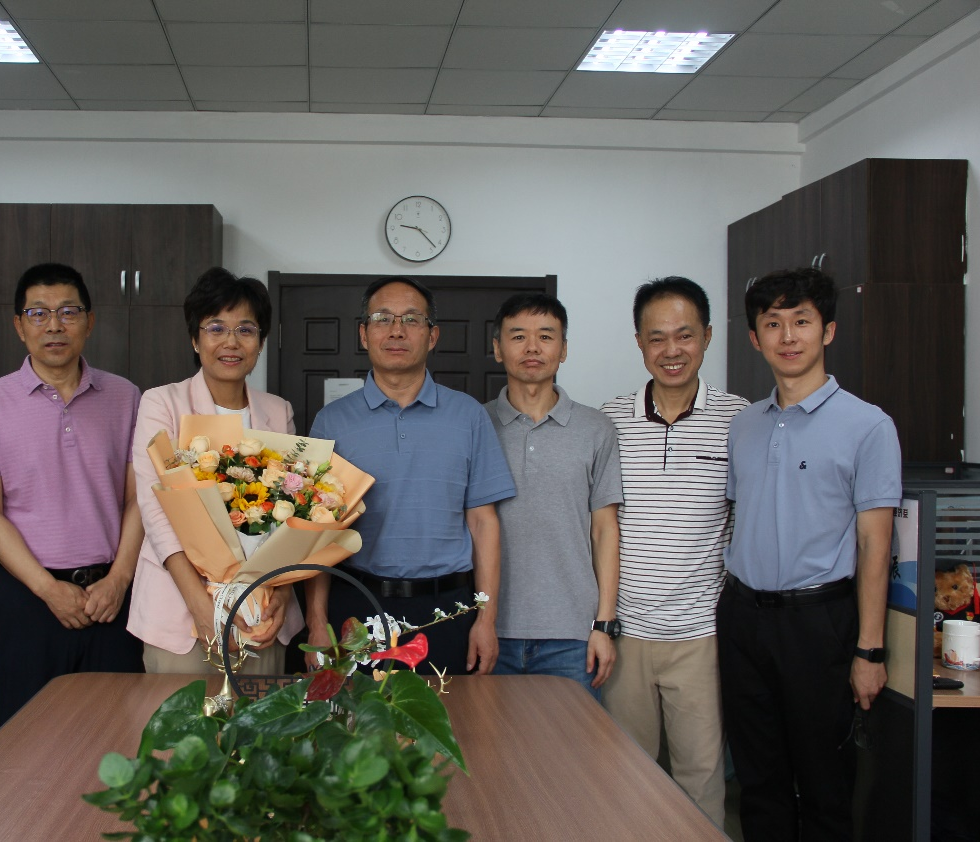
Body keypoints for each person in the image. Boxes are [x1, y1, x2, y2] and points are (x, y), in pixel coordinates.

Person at [720, 267, 900, 840]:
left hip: (819, 622)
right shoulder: (743, 425)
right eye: (773, 323)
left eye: (801, 321)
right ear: (755, 338)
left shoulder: (868, 426)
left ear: (828, 331)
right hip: (742, 618)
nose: (788, 336)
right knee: (758, 780)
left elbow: (875, 544)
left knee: (825, 783)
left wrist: (869, 650)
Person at [0, 262, 143, 725]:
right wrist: (47, 589)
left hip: (111, 596)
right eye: (38, 313)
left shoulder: (125, 397)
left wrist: (120, 579)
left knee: (116, 734)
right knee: (30, 739)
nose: (54, 325)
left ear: (89, 321)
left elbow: (138, 499)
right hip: (28, 599)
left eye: (68, 312)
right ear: (19, 326)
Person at [305, 276, 516, 675]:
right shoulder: (332, 421)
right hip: (356, 605)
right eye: (383, 318)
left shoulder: (468, 416)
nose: (397, 330)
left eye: (412, 319)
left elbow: (483, 522)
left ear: (432, 336)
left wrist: (486, 620)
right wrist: (317, 622)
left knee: (452, 713)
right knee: (356, 715)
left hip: (448, 610)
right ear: (364, 334)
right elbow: (316, 532)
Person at [599, 277, 748, 824]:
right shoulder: (608, 421)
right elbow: (597, 525)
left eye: (684, 335)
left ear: (706, 336)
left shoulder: (740, 420)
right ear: (639, 342)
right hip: (624, 634)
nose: (671, 350)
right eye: (656, 337)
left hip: (701, 635)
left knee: (701, 779)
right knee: (623, 776)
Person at [126, 267, 300, 674]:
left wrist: (283, 594)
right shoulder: (162, 404)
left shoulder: (278, 411)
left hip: (261, 615)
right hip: (181, 614)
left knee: (261, 716)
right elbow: (156, 511)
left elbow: (295, 515)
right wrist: (201, 607)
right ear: (195, 338)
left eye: (246, 330)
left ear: (260, 342)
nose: (231, 342)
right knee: (185, 717)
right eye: (216, 328)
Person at [485, 292, 622, 699]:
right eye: (518, 336)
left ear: (563, 350)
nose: (532, 348)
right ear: (497, 348)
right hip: (488, 630)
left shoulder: (596, 428)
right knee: (486, 739)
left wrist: (604, 625)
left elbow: (604, 529)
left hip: (573, 636)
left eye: (545, 336)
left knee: (573, 742)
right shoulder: (474, 424)